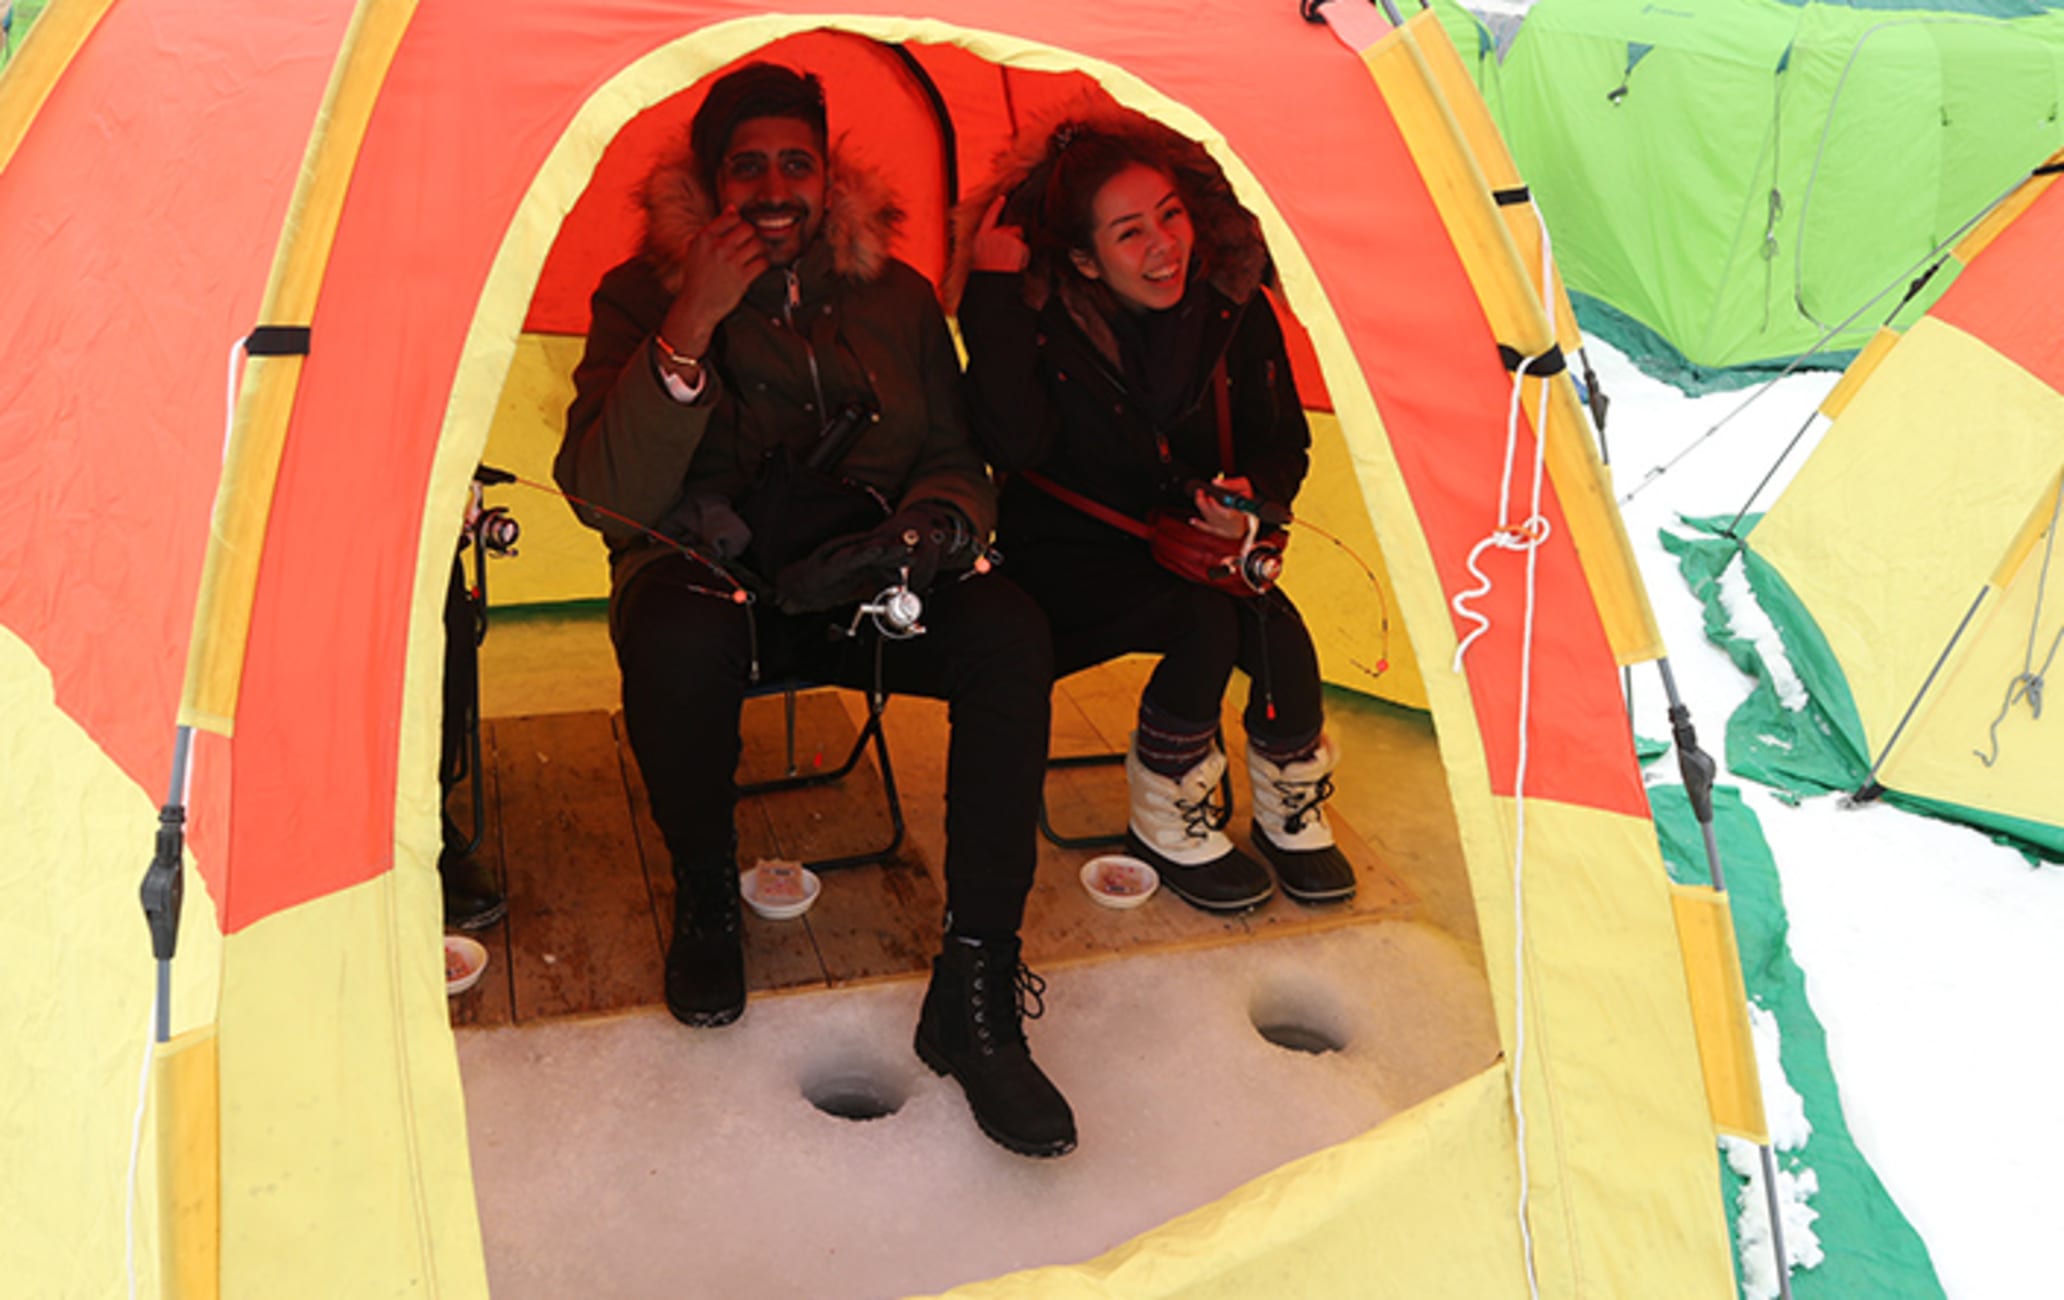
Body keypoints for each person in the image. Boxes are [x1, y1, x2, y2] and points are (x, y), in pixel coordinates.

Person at [556, 63, 1074, 1158]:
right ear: (710, 183)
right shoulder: (638, 295)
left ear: (827, 174)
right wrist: (692, 321)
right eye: (748, 166)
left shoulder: (890, 293)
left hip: (862, 579)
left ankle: (975, 982)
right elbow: (603, 496)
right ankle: (706, 892)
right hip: (716, 580)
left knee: (1011, 632)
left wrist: (933, 526)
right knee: (672, 639)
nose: (775, 187)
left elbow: (952, 453)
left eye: (797, 161)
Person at [953, 107, 1357, 914]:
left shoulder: (1234, 309)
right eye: (1130, 232)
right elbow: (1014, 443)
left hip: (1194, 544)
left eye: (1170, 215)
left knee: (1279, 635)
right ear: (1087, 260)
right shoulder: (1040, 320)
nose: (1164, 246)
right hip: (1067, 551)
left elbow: (1283, 444)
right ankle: (1166, 818)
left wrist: (1249, 504)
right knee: (1203, 623)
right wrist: (993, 294)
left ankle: (1288, 810)